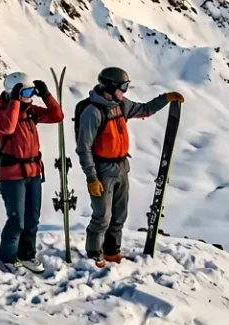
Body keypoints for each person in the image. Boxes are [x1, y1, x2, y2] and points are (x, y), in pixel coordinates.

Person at [75, 67, 184, 266]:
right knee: (102, 216)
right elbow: (84, 148)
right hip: (102, 170)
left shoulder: (121, 104)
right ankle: (94, 254)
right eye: (123, 86)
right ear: (110, 87)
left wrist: (165, 98)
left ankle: (111, 252)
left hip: (121, 166)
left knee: (119, 214)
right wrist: (91, 177)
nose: (125, 91)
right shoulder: (93, 112)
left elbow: (144, 109)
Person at [0, 72, 65, 273]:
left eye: (33, 91)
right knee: (17, 221)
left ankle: (27, 255)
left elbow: (57, 116)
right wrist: (14, 101)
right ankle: (8, 257)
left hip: (33, 173)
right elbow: (7, 128)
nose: (31, 95)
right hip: (12, 175)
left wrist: (47, 95)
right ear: (13, 92)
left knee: (32, 219)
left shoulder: (30, 110)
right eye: (27, 91)